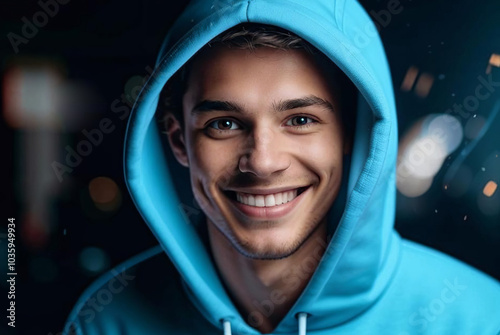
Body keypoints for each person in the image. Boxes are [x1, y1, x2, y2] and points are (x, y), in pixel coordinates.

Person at [64, 0, 500, 334]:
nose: (263, 161)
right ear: (179, 141)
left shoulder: (478, 318)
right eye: (225, 124)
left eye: (300, 120)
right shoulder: (106, 320)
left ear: (352, 132)